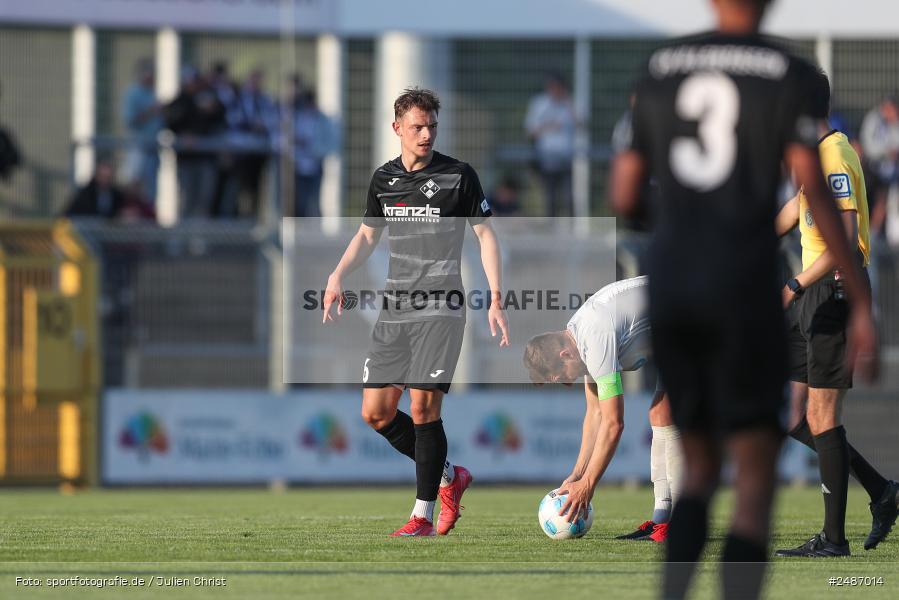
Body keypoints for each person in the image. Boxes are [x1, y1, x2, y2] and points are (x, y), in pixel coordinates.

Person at [610, 1, 878, 598]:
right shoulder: (783, 71)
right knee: (755, 475)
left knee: (700, 466)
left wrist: (686, 222)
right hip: (744, 280)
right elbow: (815, 195)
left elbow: (625, 193)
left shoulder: (660, 66)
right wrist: (862, 300)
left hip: (676, 277)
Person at [322, 88, 509, 537]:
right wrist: (337, 275)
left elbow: (485, 236)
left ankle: (421, 515)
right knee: (376, 413)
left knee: (424, 406)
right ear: (397, 129)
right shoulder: (384, 179)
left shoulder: (458, 176)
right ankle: (449, 475)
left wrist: (496, 295)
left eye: (432, 127)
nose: (426, 135)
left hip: (441, 308)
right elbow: (368, 236)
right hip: (395, 308)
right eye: (417, 127)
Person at [774, 69, 898, 557]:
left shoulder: (836, 153)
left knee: (823, 416)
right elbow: (796, 209)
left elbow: (845, 237)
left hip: (834, 290)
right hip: (812, 294)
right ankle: (882, 491)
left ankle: (833, 540)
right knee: (792, 415)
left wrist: (794, 283)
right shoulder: (814, 159)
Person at [523, 276, 684, 544]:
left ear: (565, 355)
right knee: (660, 414)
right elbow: (595, 414)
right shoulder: (580, 337)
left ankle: (681, 523)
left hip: (697, 315)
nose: (565, 383)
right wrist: (577, 474)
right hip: (676, 327)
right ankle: (661, 520)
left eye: (560, 376)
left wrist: (588, 485)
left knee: (667, 411)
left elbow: (613, 423)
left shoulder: (595, 337)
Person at [163, 66, 226, 217]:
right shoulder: (179, 101)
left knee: (204, 200)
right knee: (187, 199)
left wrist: (213, 108)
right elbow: (171, 122)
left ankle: (200, 239)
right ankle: (182, 238)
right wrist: (185, 135)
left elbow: (219, 117)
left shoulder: (207, 98)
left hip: (206, 159)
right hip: (186, 160)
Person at [524, 73, 578, 217]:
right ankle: (551, 226)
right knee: (550, 196)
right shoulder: (539, 103)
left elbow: (581, 124)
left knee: (569, 197)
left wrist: (568, 103)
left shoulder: (570, 103)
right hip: (546, 156)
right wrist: (547, 126)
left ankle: (571, 227)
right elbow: (530, 131)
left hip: (566, 157)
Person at [289, 78, 335, 218]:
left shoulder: (322, 120)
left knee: (314, 201)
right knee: (300, 203)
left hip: (315, 166)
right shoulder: (297, 118)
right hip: (299, 166)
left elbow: (328, 143)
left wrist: (313, 147)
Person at [122, 59, 162, 203]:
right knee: (134, 182)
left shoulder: (153, 93)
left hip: (153, 149)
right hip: (138, 147)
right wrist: (150, 111)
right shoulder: (133, 93)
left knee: (151, 188)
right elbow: (130, 121)